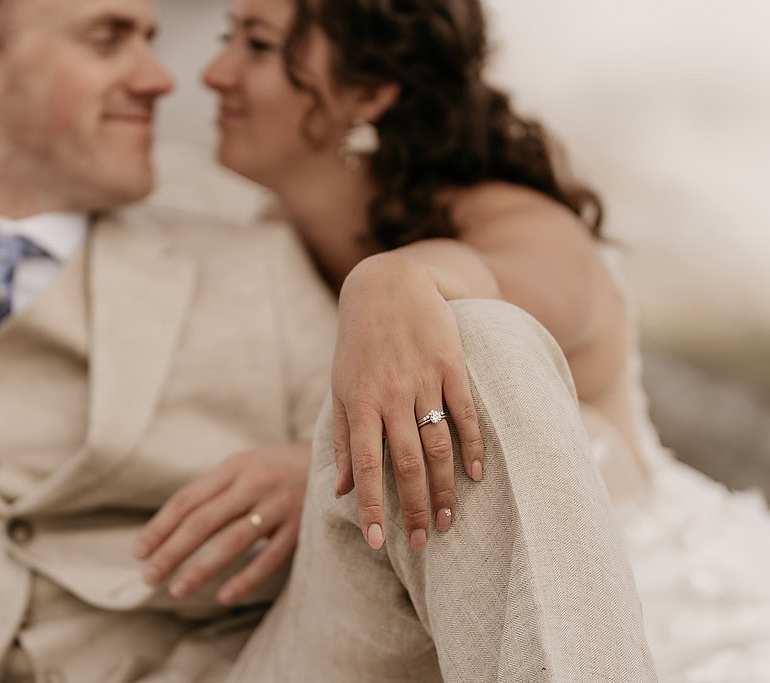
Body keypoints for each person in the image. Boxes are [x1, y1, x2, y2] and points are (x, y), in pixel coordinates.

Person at [0, 0, 654, 680]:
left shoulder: (254, 251)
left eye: (245, 45)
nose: (170, 76)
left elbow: (390, 476)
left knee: (467, 344)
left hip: (249, 664)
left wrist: (377, 312)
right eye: (110, 38)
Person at [138, 0, 769, 678]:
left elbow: (490, 300)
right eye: (224, 36)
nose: (212, 73)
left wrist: (393, 285)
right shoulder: (274, 240)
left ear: (371, 92)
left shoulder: (528, 228)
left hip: (640, 620)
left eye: (257, 46)